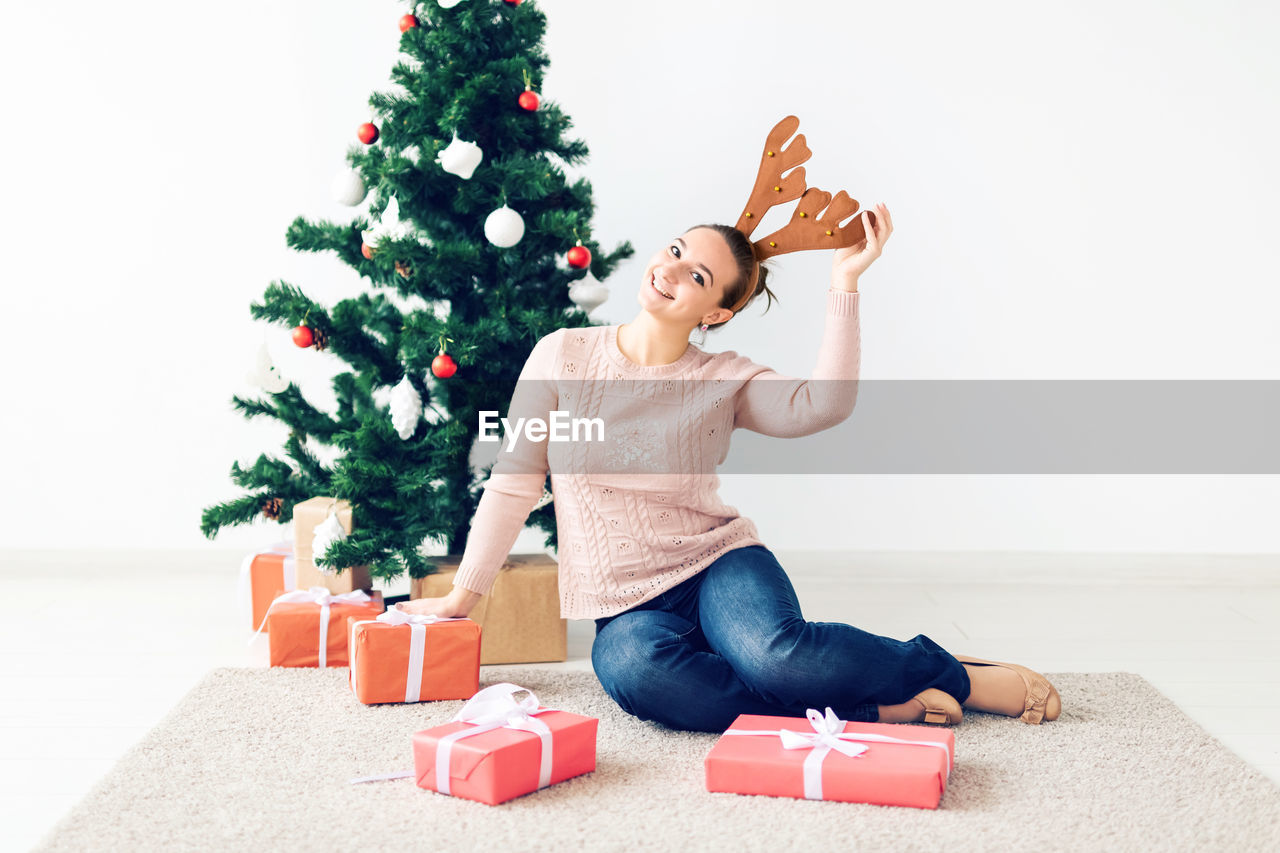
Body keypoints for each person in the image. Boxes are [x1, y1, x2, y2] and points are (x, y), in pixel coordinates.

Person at [399, 205, 1063, 732]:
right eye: (677, 250)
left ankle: (955, 674)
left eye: (697, 276)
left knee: (777, 656)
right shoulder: (561, 355)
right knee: (638, 676)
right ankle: (865, 711)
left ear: (715, 311)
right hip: (623, 601)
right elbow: (514, 480)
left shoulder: (723, 378)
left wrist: (845, 285)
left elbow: (823, 404)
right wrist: (464, 598)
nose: (671, 268)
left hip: (717, 564)